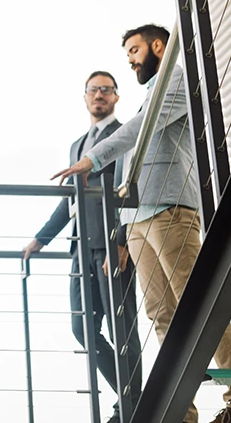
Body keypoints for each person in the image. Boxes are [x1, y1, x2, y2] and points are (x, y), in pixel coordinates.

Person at [53, 24, 231, 423]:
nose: (131, 59)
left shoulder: (179, 79)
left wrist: (93, 158)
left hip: (169, 209)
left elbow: (139, 127)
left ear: (156, 46)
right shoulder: (150, 93)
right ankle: (182, 408)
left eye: (134, 50)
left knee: (200, 301)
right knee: (161, 314)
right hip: (136, 218)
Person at [24, 71, 142, 423]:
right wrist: (41, 239)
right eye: (93, 90)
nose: (99, 95)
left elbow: (129, 189)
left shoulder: (125, 136)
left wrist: (120, 240)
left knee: (124, 329)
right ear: (85, 96)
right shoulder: (78, 144)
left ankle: (129, 407)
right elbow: (69, 201)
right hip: (80, 249)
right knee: (83, 329)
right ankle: (131, 396)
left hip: (111, 245)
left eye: (106, 89)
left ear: (116, 97)